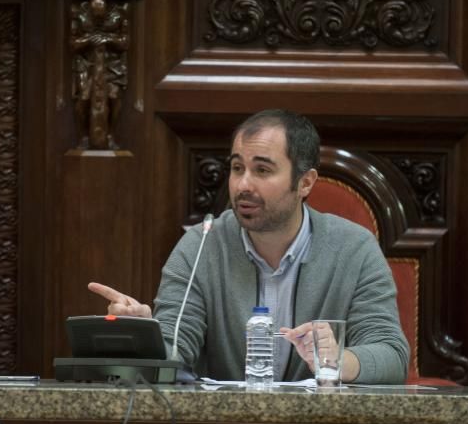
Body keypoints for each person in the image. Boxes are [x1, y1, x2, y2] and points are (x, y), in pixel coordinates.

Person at [89, 109, 409, 384]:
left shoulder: (354, 249)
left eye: (262, 170)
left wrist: (338, 359)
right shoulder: (201, 245)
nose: (243, 185)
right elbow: (176, 350)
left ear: (305, 183)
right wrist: (146, 335)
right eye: (237, 168)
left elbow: (391, 355)